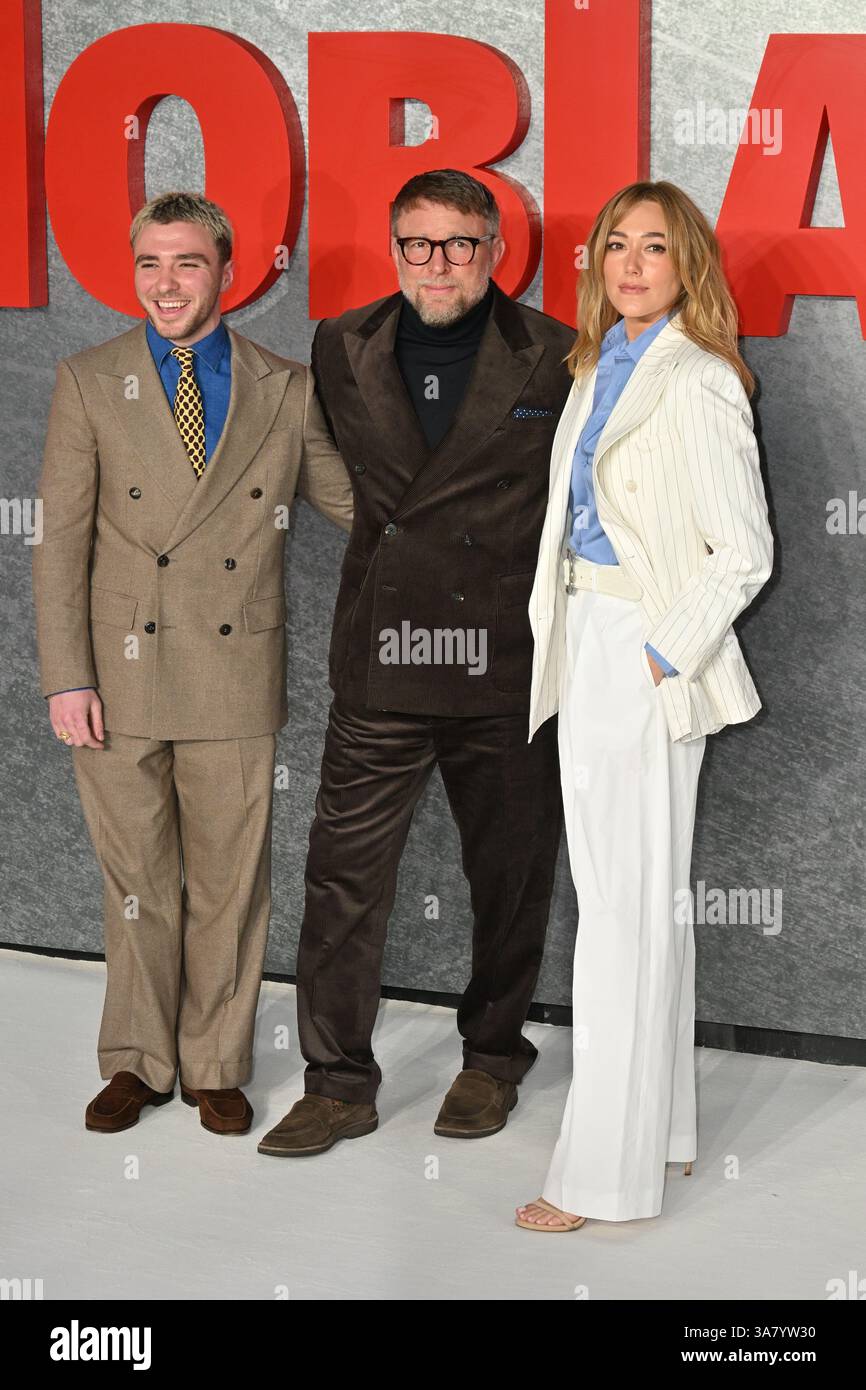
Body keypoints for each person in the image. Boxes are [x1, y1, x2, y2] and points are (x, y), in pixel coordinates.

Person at [257, 169, 575, 1157]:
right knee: (340, 878)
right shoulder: (340, 343)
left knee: (509, 875)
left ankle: (489, 1057)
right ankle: (338, 1081)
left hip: (503, 659)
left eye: (459, 244)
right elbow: (342, 484)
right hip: (383, 656)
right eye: (417, 244)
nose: (437, 263)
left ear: (494, 249)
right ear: (395, 249)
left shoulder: (557, 352)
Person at [32, 191, 353, 1137]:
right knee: (134, 880)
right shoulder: (89, 380)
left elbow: (354, 501)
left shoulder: (285, 387)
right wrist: (66, 675)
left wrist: (469, 511)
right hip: (117, 676)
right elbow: (58, 543)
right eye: (150, 265)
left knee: (229, 882)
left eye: (187, 263)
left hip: (235, 672)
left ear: (228, 271)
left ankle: (215, 1061)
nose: (166, 283)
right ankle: (137, 1060)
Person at [515, 180, 773, 1230]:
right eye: (614, 245)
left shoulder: (698, 378)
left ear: (686, 266)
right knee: (637, 904)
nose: (629, 263)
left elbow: (744, 550)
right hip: (585, 641)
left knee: (621, 914)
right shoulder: (594, 366)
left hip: (640, 650)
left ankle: (599, 1180)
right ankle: (659, 1135)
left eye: (653, 247)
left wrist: (661, 654)